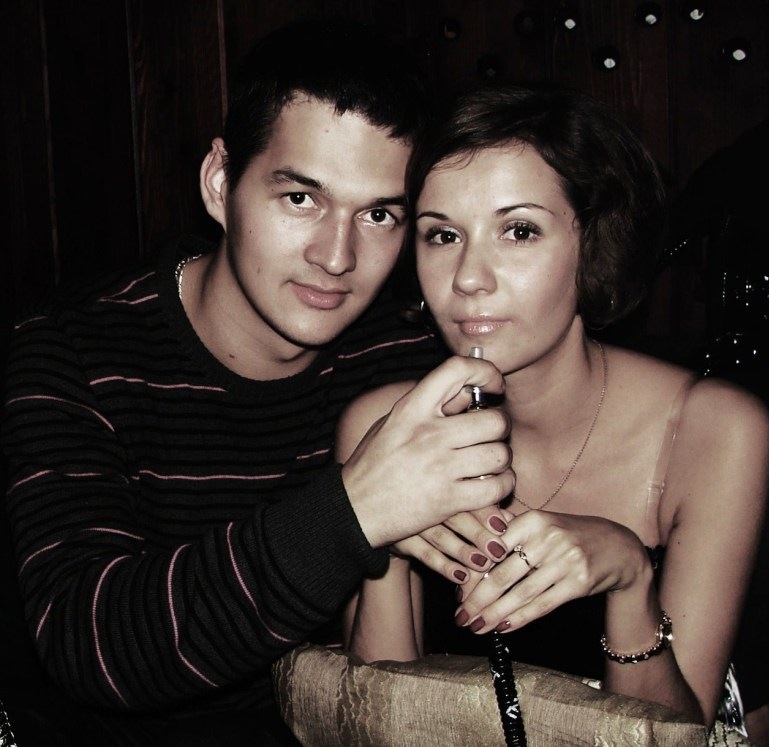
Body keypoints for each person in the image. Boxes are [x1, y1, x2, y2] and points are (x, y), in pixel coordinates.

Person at [0, 18, 514, 747]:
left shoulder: (409, 357)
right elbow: (94, 645)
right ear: (220, 183)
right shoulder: (73, 349)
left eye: (378, 214)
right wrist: (358, 508)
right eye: (301, 198)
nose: (337, 256)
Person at [338, 83, 769, 740]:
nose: (468, 277)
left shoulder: (712, 430)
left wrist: (630, 580)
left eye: (518, 231)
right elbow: (377, 725)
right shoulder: (382, 426)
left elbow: (676, 733)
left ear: (593, 246)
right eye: (442, 235)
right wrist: (381, 545)